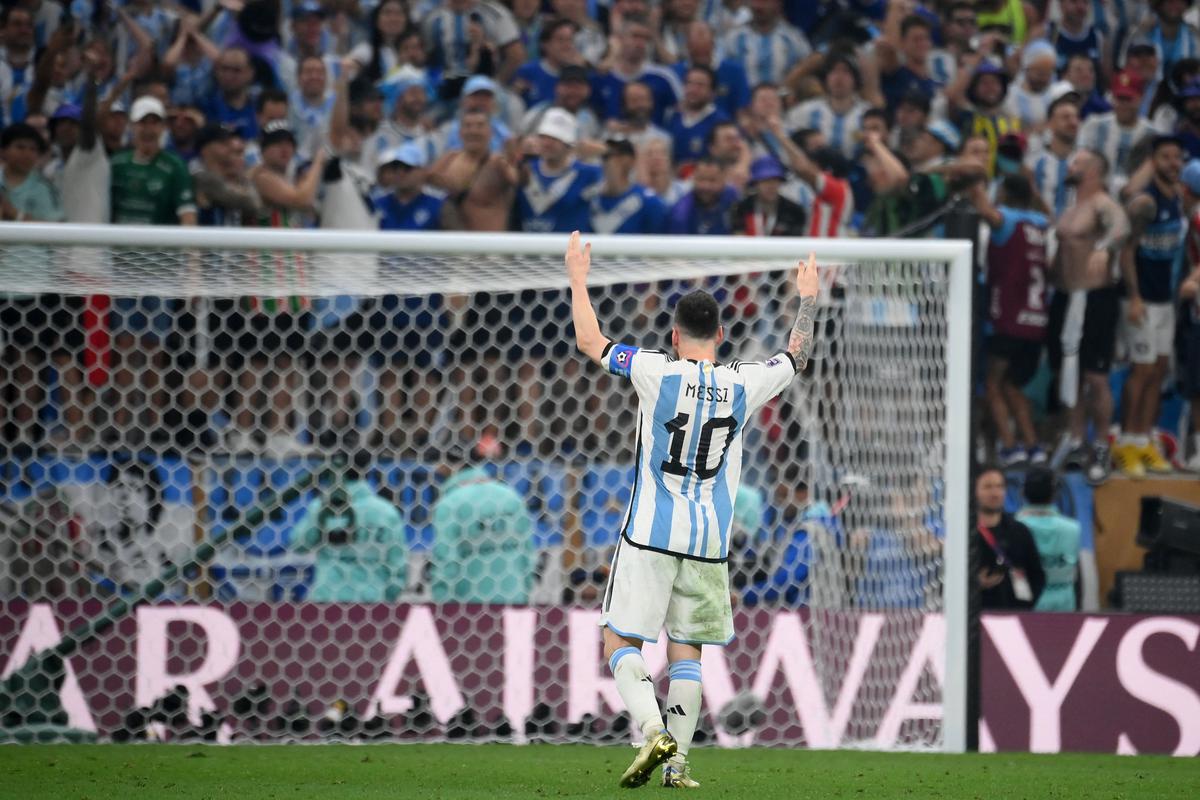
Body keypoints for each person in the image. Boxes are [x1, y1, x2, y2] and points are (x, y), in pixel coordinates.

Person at [564, 231, 819, 788]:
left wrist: (579, 278)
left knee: (617, 640)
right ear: (722, 336)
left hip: (649, 534)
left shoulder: (655, 369)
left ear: (675, 335)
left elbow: (591, 341)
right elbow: (797, 356)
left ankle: (652, 728)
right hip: (709, 542)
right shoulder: (743, 382)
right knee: (688, 653)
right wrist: (808, 297)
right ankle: (677, 764)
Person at [1049, 150, 1129, 485]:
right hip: (1067, 298)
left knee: (1096, 377)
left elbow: (1120, 226)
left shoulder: (1100, 203)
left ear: (1095, 169)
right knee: (1071, 376)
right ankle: (1076, 442)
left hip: (1096, 298)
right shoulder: (1070, 206)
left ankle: (1100, 446)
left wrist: (1105, 247)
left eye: (1077, 162)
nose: (1071, 165)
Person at [1115, 134, 1188, 478]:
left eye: (1177, 158)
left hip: (1165, 300)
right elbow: (1127, 250)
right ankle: (1126, 440)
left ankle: (1144, 440)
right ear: (1152, 162)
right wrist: (1134, 297)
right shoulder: (1146, 201)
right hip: (1141, 298)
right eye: (1165, 157)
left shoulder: (1178, 198)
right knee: (1141, 371)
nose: (1173, 164)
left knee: (1158, 371)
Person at [970, 174, 1050, 466]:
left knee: (992, 382)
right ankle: (1033, 445)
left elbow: (983, 208)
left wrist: (972, 180)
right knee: (1013, 385)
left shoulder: (1006, 220)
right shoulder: (1041, 223)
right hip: (1037, 320)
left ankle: (1009, 445)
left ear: (1002, 192)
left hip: (1007, 318)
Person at [291, 453, 407, 602]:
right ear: (367, 470)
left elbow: (298, 544)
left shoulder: (322, 507)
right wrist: (386, 600)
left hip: (327, 600)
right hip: (371, 602)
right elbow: (398, 567)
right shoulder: (386, 512)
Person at [431, 463, 535, 604]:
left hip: (467, 607)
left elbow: (446, 560)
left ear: (444, 463)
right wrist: (525, 591)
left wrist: (441, 602)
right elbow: (528, 554)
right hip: (514, 600)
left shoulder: (449, 504)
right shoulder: (511, 496)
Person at [110, 96, 196, 226]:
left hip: (159, 244)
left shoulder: (175, 166)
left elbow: (188, 215)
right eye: (142, 122)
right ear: (132, 126)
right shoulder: (117, 164)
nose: (148, 129)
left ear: (163, 127)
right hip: (121, 243)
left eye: (154, 123)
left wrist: (190, 245)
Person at [517, 107, 601, 232]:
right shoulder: (525, 170)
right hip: (527, 248)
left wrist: (604, 151)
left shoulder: (589, 174)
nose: (547, 143)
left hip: (571, 249)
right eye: (544, 137)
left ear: (569, 143)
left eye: (555, 139)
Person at [974, 466, 1045, 610]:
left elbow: (1037, 575)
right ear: (974, 491)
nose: (995, 493)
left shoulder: (1020, 531)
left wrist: (1024, 608)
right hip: (974, 618)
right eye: (987, 487)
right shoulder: (964, 535)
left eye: (999, 486)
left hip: (1015, 616)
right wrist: (974, 584)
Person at [1078, 69, 1156, 195]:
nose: (1123, 104)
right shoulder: (1094, 125)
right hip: (1097, 192)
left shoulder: (1152, 134)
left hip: (1135, 196)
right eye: (1119, 98)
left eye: (1128, 99)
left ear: (1140, 98)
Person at [1016, 465, 1080, 611]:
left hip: (1026, 605)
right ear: (1054, 493)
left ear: (1023, 492)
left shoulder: (1015, 528)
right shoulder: (1073, 529)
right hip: (1065, 606)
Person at [589, 137, 668, 234]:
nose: (609, 162)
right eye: (605, 156)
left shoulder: (649, 203)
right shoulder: (591, 201)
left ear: (629, 160)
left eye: (612, 155)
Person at [1027, 88, 1081, 218]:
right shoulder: (1033, 162)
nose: (1073, 122)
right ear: (1050, 123)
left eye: (1076, 117)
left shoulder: (1085, 161)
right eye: (1065, 117)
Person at [667, 65, 728, 170]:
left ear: (712, 93)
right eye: (689, 83)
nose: (693, 90)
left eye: (700, 85)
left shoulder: (720, 121)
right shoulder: (672, 116)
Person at [731, 155, 807, 236]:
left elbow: (795, 241)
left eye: (775, 180)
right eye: (765, 181)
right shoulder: (741, 208)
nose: (771, 186)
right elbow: (738, 236)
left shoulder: (794, 211)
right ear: (756, 183)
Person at [378, 142, 444, 231]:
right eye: (395, 167)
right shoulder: (378, 205)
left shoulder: (438, 207)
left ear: (422, 171)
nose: (400, 172)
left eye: (407, 167)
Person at [666, 156, 738, 235]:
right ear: (693, 179)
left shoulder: (732, 197)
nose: (706, 186)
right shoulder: (680, 215)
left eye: (712, 180)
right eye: (701, 179)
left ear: (723, 180)